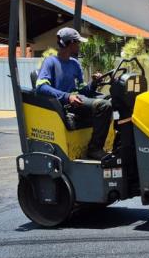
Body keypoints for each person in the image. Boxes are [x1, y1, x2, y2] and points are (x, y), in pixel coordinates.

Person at [35, 28, 113, 160]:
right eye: (77, 43)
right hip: (64, 105)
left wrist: (93, 83)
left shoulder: (75, 64)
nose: (79, 45)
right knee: (103, 106)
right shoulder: (50, 62)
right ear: (70, 43)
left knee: (111, 101)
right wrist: (67, 97)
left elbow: (83, 90)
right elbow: (41, 87)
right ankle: (94, 149)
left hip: (78, 100)